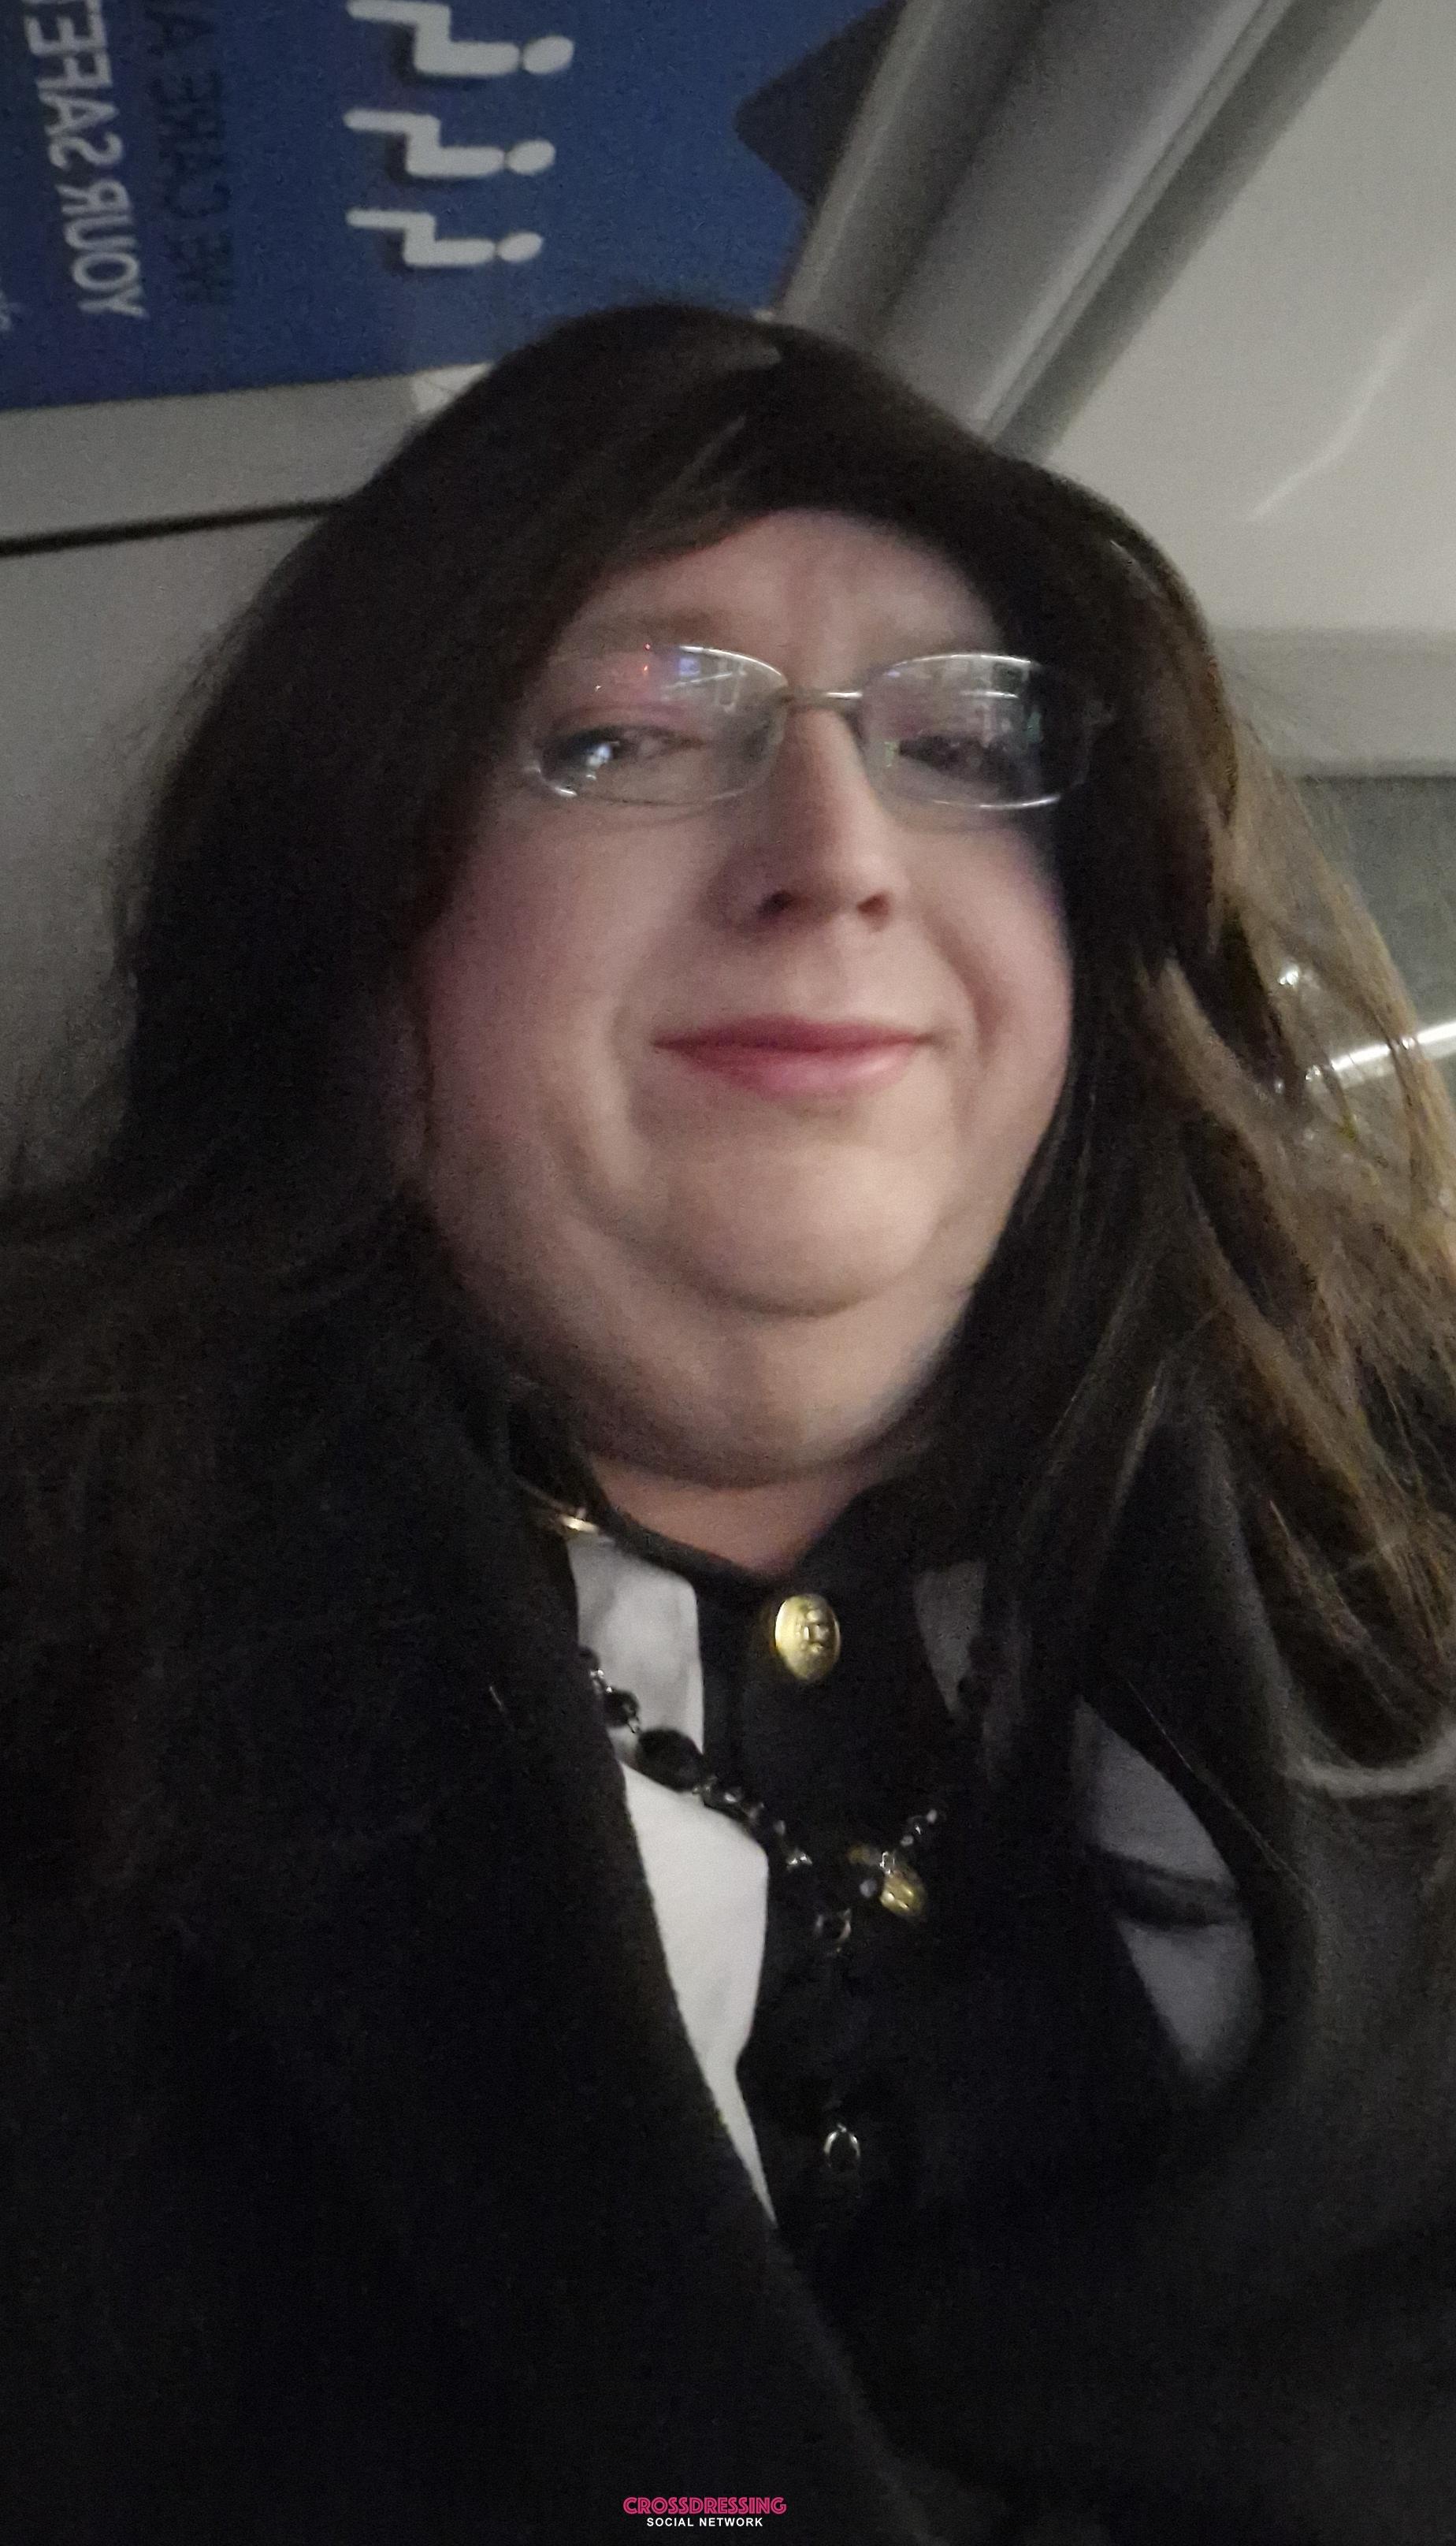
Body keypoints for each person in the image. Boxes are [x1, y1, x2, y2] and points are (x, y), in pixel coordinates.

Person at [4, 300, 1456, 2546]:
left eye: (964, 744)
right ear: (346, 922)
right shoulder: (53, 1625)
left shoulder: (1412, 1508)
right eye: (623, 736)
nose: (838, 849)